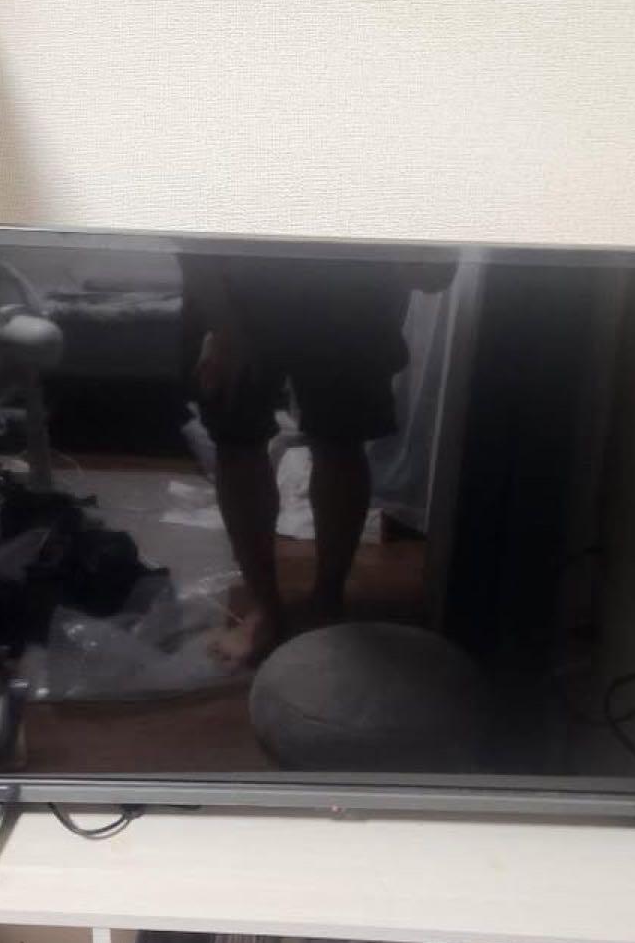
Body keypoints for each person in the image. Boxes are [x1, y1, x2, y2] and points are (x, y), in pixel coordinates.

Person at [182, 252, 452, 669]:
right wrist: (222, 324)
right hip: (240, 270)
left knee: (341, 437)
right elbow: (189, 231)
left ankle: (328, 597)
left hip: (346, 274)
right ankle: (266, 607)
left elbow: (431, 272)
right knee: (237, 437)